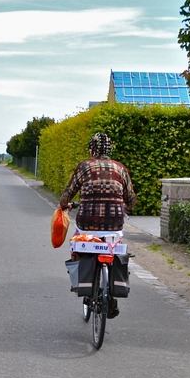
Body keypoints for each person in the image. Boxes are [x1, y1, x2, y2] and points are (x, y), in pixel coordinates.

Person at [59, 132, 136, 318]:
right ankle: (112, 294)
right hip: (114, 225)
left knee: (79, 246)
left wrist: (64, 205)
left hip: (87, 224)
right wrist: (125, 208)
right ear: (109, 149)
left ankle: (85, 283)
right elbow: (131, 199)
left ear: (92, 150)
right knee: (113, 252)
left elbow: (68, 193)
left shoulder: (84, 167)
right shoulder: (120, 168)